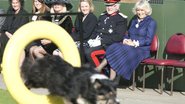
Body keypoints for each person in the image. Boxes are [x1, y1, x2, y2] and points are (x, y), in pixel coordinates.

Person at [97, 0, 157, 81]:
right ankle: (101, 70)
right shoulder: (134, 20)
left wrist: (135, 43)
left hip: (142, 50)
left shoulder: (151, 22)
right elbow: (127, 33)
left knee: (120, 51)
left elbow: (148, 40)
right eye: (138, 10)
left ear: (147, 11)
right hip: (129, 46)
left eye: (142, 10)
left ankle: (110, 79)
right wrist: (125, 39)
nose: (140, 12)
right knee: (114, 46)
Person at [84, 0, 128, 66]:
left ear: (117, 6)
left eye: (112, 5)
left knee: (88, 52)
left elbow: (118, 37)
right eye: (107, 5)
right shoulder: (102, 16)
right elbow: (96, 30)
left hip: (108, 45)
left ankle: (99, 74)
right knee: (81, 49)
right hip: (97, 42)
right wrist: (91, 39)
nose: (109, 8)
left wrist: (100, 42)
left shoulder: (121, 19)